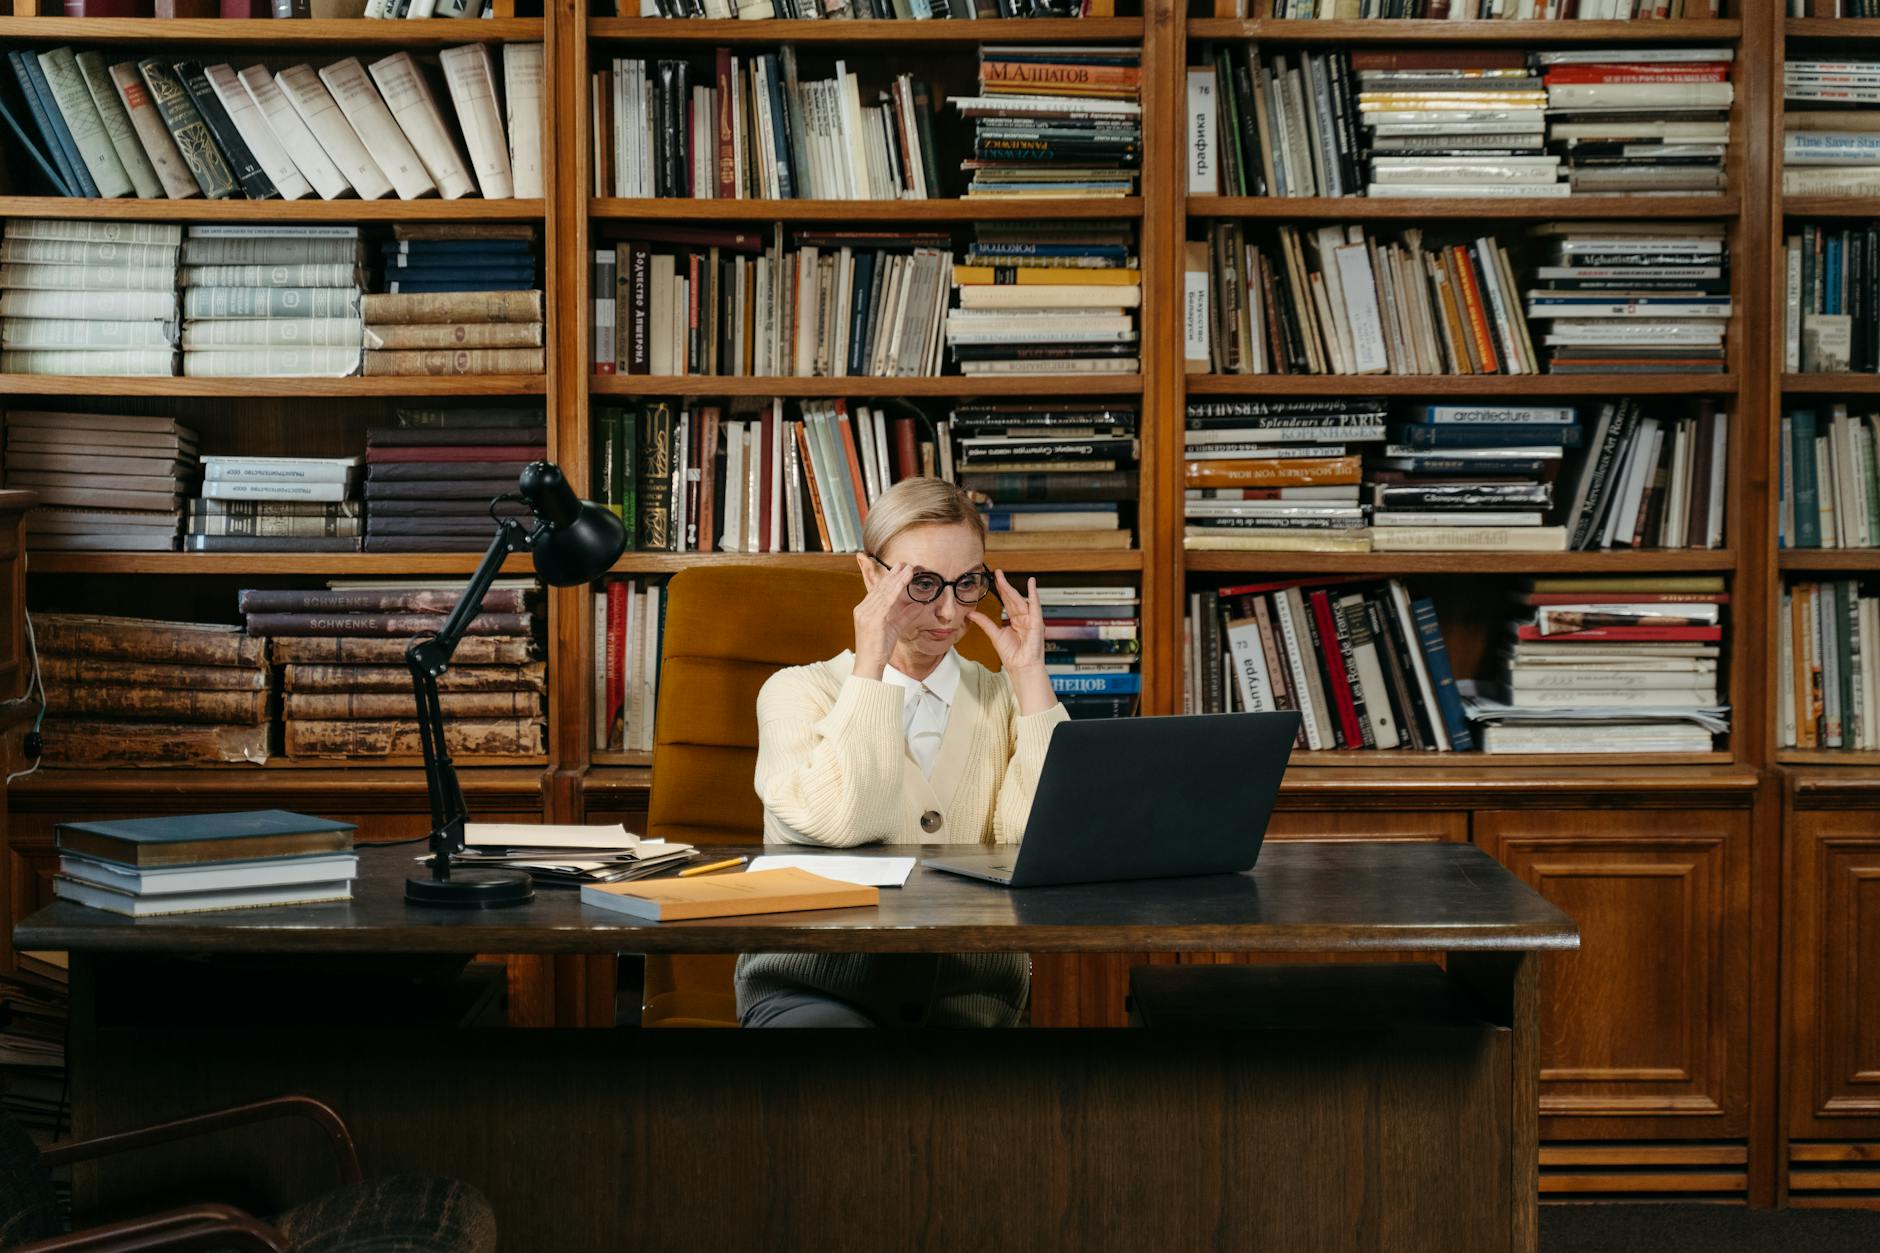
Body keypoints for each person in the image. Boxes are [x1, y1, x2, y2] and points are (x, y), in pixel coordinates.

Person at [735, 476, 1070, 1028]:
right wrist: (872, 662)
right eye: (921, 584)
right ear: (871, 575)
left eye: (967, 584)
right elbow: (842, 819)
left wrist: (1030, 676)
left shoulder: (1009, 700)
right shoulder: (795, 692)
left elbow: (1039, 844)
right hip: (814, 984)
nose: (947, 613)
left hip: (967, 990)